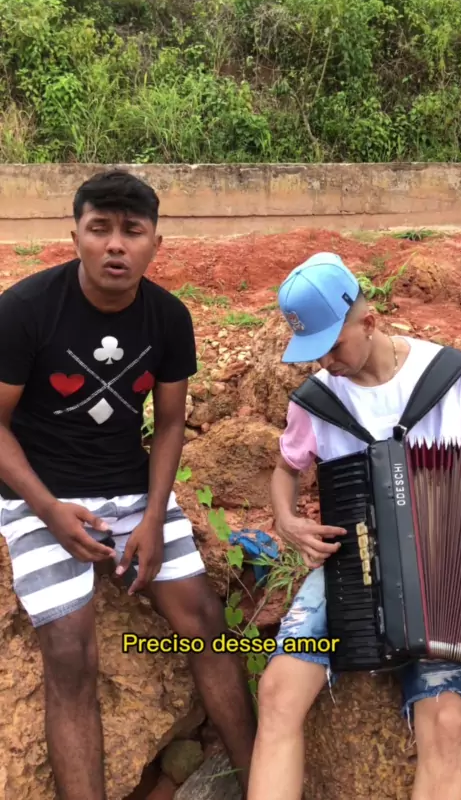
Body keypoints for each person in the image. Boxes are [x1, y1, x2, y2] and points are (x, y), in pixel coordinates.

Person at [0, 169, 256, 800]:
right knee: (70, 654)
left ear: (154, 244)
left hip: (132, 490)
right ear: (75, 237)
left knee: (204, 620)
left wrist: (153, 517)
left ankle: (263, 782)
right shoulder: (24, 310)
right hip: (38, 493)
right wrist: (48, 510)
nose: (115, 244)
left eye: (132, 231)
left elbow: (168, 425)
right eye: (100, 229)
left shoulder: (168, 318)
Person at [247, 252, 461, 800]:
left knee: (446, 723)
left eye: (333, 346)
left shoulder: (456, 379)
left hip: (447, 570)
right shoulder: (318, 402)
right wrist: (287, 520)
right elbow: (286, 470)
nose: (324, 361)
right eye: (313, 351)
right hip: (352, 566)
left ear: (368, 321)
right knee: (278, 692)